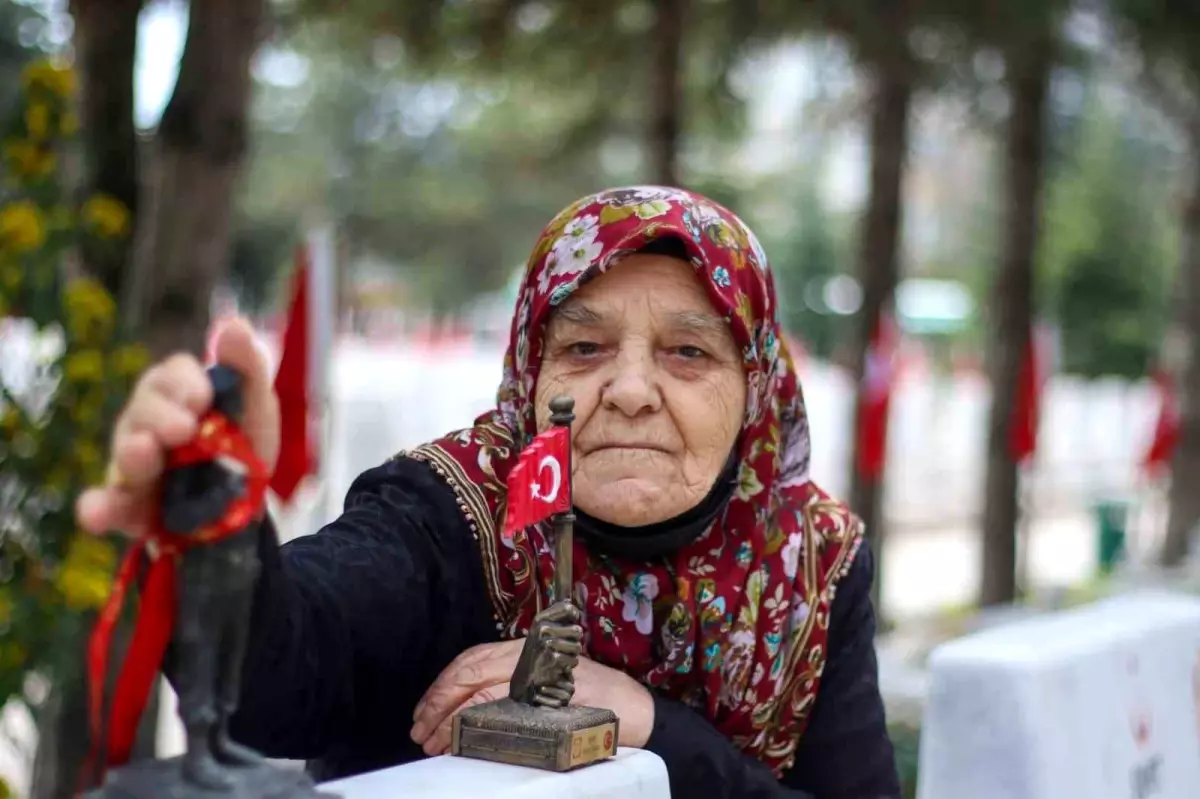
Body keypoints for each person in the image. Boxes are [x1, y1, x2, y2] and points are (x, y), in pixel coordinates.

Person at [77, 186, 900, 798]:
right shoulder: (448, 512)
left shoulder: (811, 561)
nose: (631, 390)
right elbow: (279, 674)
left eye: (689, 352)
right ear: (528, 375)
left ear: (754, 386)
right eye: (583, 346)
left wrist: (646, 725)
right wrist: (217, 523)